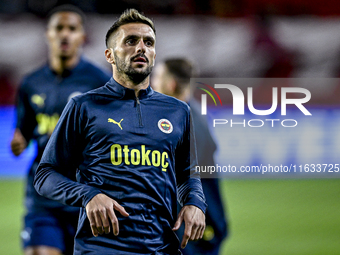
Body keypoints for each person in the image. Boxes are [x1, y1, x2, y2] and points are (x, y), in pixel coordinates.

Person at [34, 9, 207, 255]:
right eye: (130, 41)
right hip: (102, 247)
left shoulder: (178, 111)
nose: (141, 47)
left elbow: (188, 173)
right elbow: (45, 175)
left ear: (155, 54)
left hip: (161, 247)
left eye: (149, 42)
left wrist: (195, 203)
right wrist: (88, 195)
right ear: (110, 55)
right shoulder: (84, 106)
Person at [10, 4, 111, 255]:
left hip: (85, 198)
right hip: (43, 197)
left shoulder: (98, 82)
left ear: (82, 36)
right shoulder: (31, 84)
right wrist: (18, 141)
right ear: (48, 34)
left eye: (72, 29)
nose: (65, 34)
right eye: (59, 28)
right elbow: (22, 132)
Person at [152, 58, 228, 255]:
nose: (152, 83)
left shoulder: (189, 124)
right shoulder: (184, 116)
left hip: (195, 231)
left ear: (171, 84)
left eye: (157, 77)